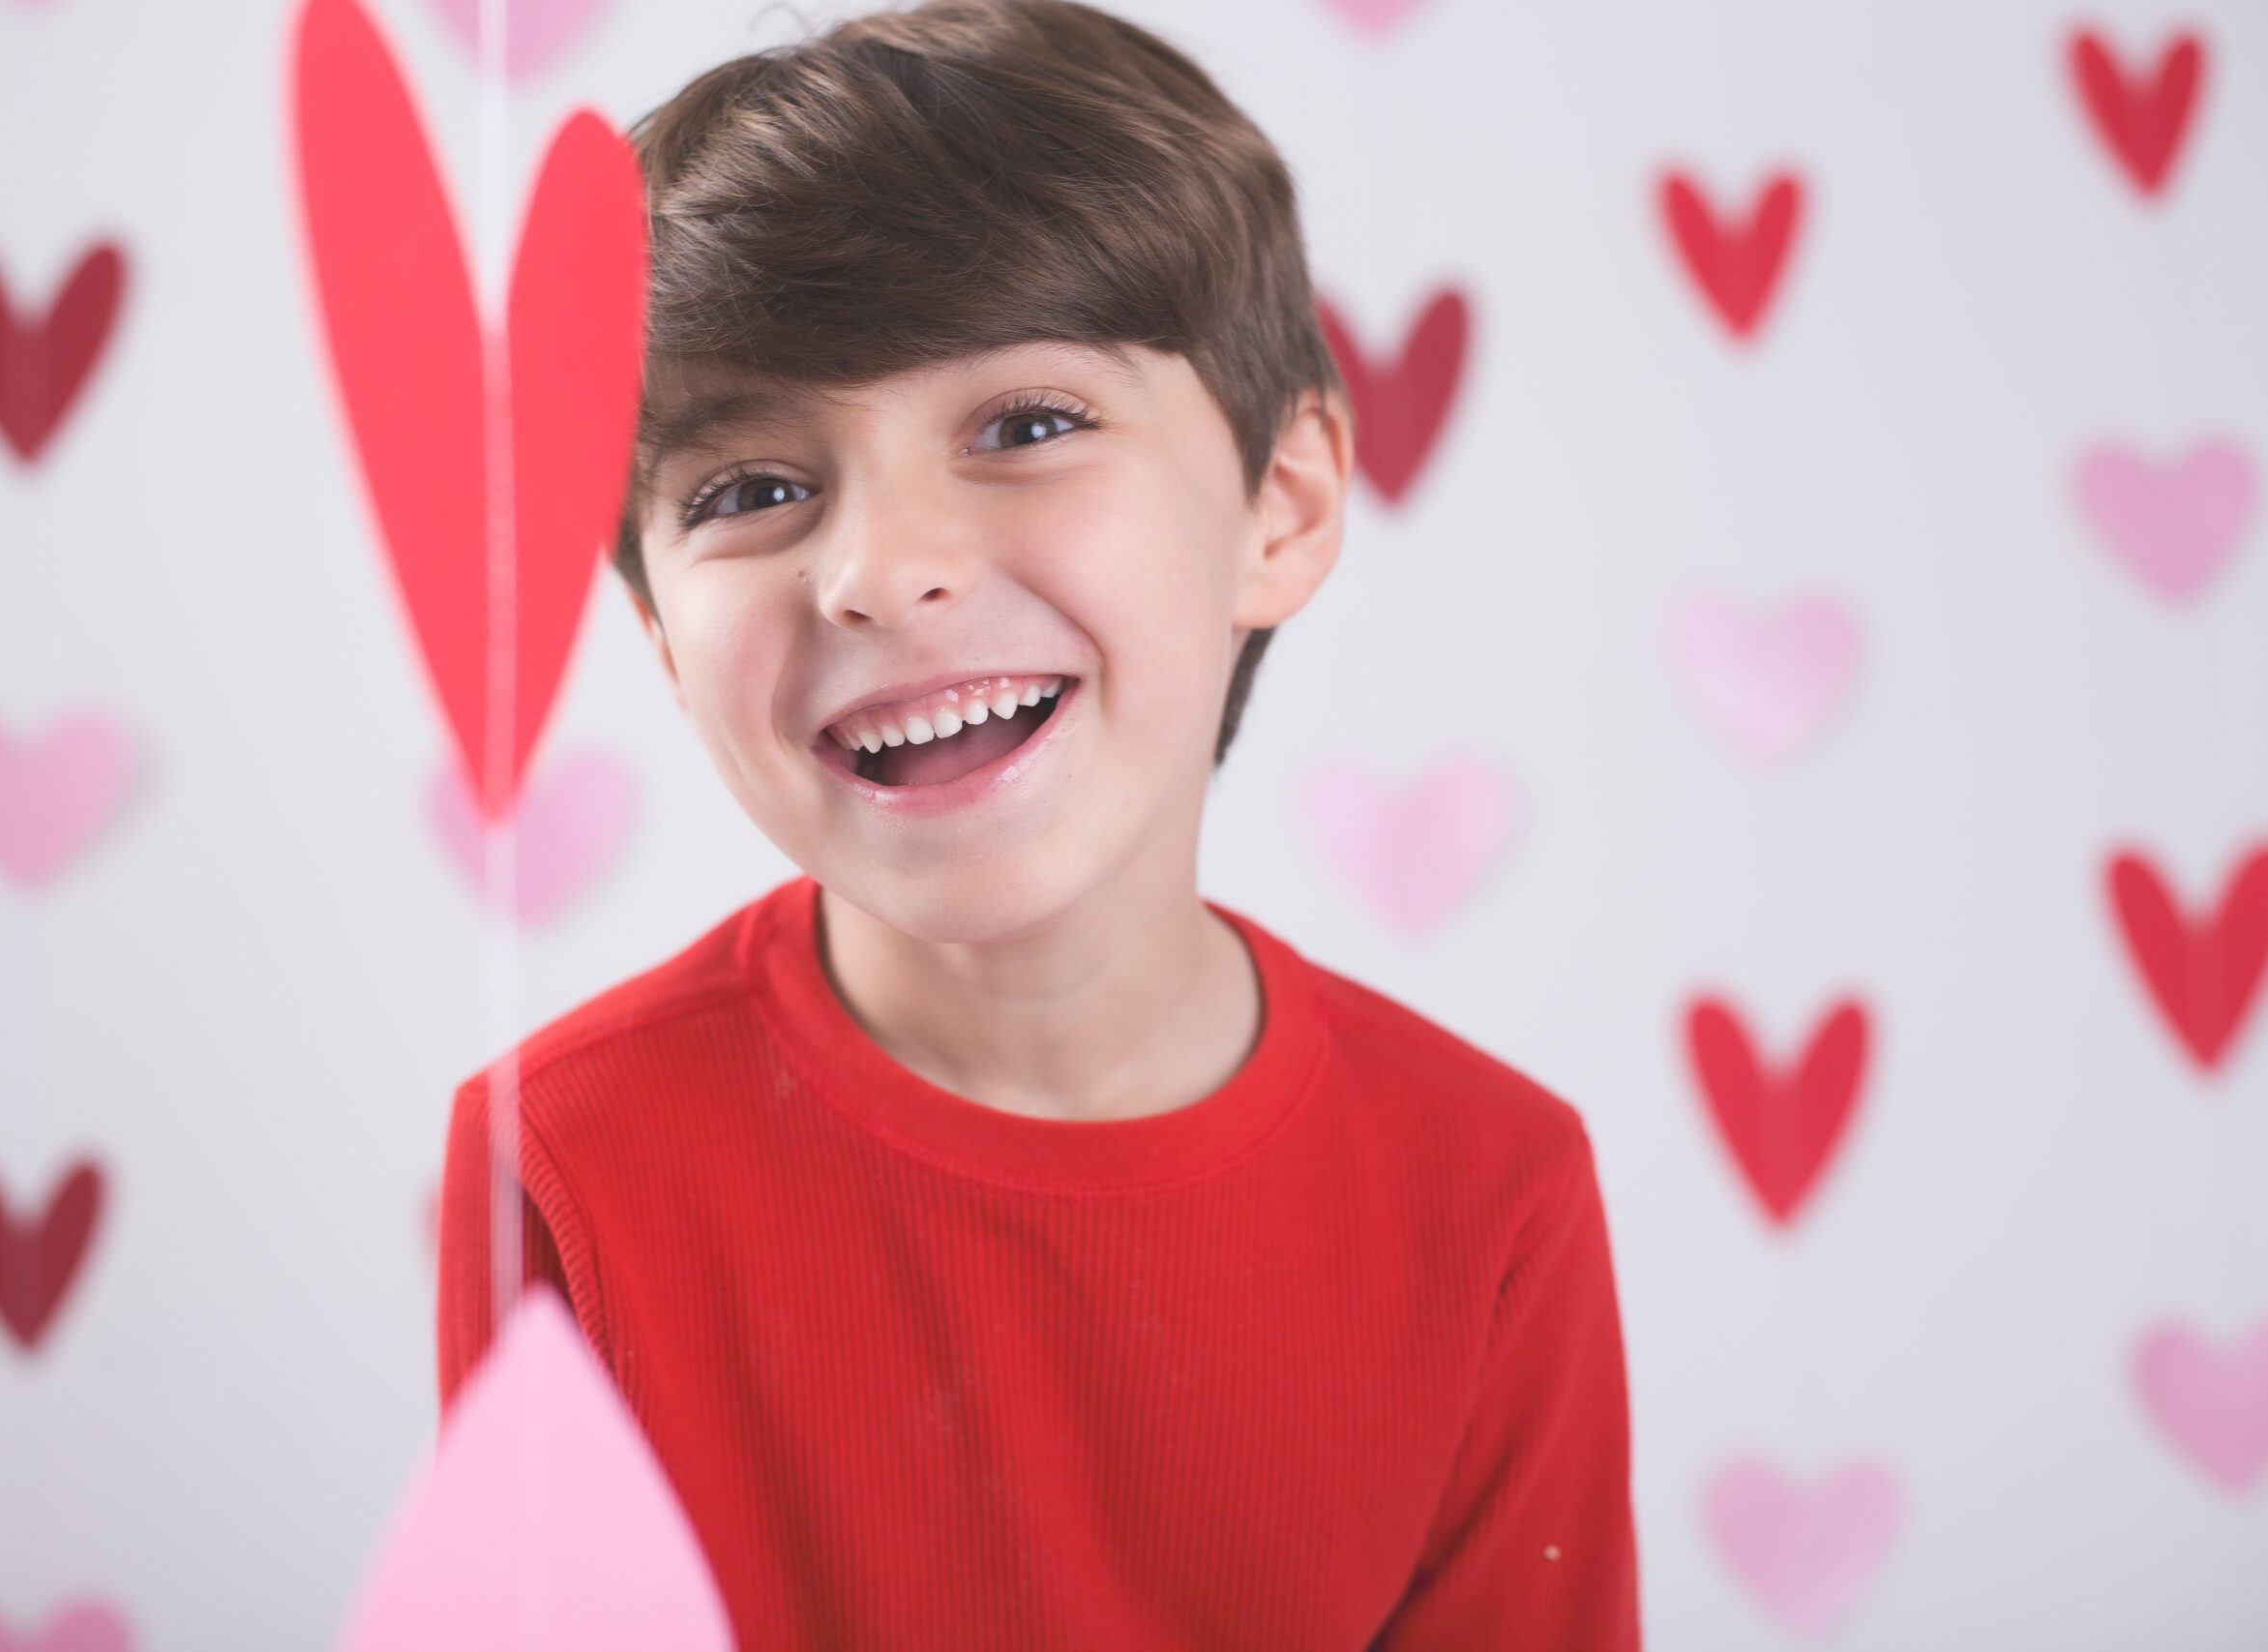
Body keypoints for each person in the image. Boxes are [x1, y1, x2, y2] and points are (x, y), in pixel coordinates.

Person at [436, 2, 1637, 1643]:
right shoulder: (564, 1155)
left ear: (1280, 506)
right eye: (752, 491)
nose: (880, 573)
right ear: (658, 634)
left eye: (1025, 426)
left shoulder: (1493, 1191)